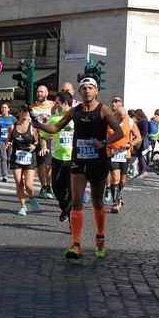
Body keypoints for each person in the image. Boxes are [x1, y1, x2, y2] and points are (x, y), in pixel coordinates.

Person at [35, 77, 123, 259]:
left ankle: (100, 238)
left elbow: (120, 133)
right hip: (78, 161)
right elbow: (56, 127)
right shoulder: (75, 111)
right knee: (76, 202)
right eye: (84, 88)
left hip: (98, 162)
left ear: (97, 91)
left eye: (91, 88)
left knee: (97, 201)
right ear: (80, 92)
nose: (87, 91)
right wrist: (39, 125)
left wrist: (104, 142)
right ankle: (76, 243)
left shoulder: (104, 110)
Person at [41, 91, 74, 222]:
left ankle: (71, 217)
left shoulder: (76, 118)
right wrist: (44, 147)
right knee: (57, 189)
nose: (56, 105)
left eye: (58, 103)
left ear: (65, 103)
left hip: (73, 159)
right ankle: (65, 208)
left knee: (72, 190)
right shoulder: (54, 119)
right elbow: (43, 136)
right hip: (58, 159)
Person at [7, 104, 41, 216]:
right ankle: (23, 206)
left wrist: (34, 146)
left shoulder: (33, 127)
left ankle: (31, 197)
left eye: (28, 112)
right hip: (16, 157)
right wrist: (8, 143)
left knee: (28, 185)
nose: (27, 113)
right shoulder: (12, 127)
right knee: (18, 183)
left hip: (29, 157)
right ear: (19, 112)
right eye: (25, 111)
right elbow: (9, 139)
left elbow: (37, 141)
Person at [107, 107, 141, 213]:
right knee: (115, 177)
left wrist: (130, 144)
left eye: (124, 117)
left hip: (125, 154)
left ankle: (119, 195)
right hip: (111, 152)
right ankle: (115, 203)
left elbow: (138, 137)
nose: (123, 119)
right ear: (115, 114)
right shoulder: (108, 121)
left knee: (122, 180)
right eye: (121, 117)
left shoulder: (130, 122)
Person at [30, 85, 55, 200]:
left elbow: (58, 119)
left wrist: (48, 117)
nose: (39, 93)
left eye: (42, 92)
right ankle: (43, 186)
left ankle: (49, 185)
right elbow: (29, 122)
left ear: (47, 93)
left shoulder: (54, 105)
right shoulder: (32, 106)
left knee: (48, 163)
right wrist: (40, 117)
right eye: (38, 91)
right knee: (39, 164)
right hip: (36, 138)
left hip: (50, 138)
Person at [0, 102, 16, 182]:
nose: (4, 109)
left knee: (9, 157)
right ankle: (4, 175)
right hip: (1, 139)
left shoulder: (12, 118)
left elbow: (16, 128)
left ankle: (6, 169)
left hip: (10, 140)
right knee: (3, 157)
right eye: (2, 108)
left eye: (5, 108)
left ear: (9, 109)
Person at [133, 109, 150, 179]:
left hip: (142, 140)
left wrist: (141, 137)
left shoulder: (143, 121)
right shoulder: (144, 121)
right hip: (142, 139)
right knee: (140, 155)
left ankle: (143, 171)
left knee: (140, 155)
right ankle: (142, 170)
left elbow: (145, 131)